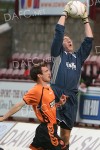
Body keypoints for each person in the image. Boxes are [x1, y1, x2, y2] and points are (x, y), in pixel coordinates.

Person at [50, 4, 93, 150]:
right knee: (51, 132)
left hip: (72, 97)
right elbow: (58, 32)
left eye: (70, 40)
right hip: (55, 93)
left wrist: (85, 20)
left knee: (66, 136)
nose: (69, 41)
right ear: (60, 44)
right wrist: (64, 14)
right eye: (65, 39)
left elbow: (89, 40)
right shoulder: (57, 54)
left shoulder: (78, 57)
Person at [0, 62, 69, 150]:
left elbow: (48, 107)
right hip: (47, 129)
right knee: (62, 148)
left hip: (49, 128)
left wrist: (59, 103)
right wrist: (4, 117)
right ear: (39, 75)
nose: (49, 73)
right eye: (46, 71)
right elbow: (19, 105)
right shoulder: (36, 90)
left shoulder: (48, 88)